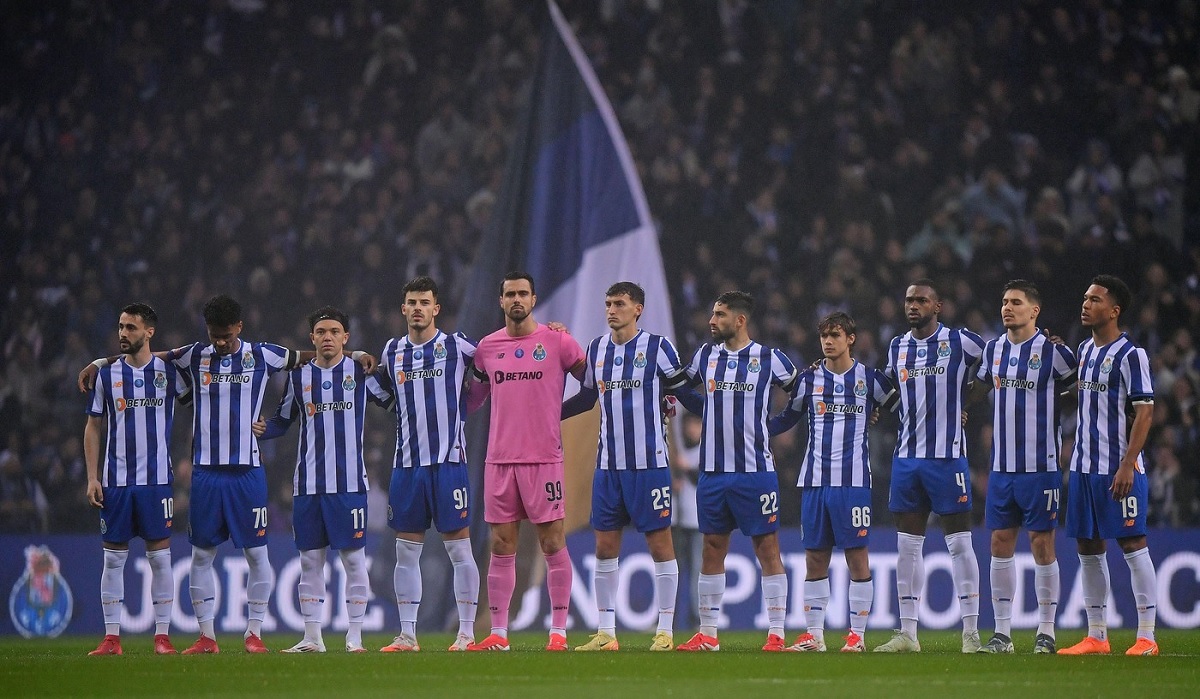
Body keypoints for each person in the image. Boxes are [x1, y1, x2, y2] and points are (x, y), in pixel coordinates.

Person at [78, 294, 375, 654]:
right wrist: (101, 361)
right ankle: (207, 637)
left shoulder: (264, 354)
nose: (219, 342)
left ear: (239, 327)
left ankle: (254, 634)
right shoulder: (194, 354)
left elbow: (314, 356)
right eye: (213, 335)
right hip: (205, 474)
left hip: (248, 472)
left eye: (225, 335)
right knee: (201, 556)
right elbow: (147, 356)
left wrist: (356, 354)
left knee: (257, 556)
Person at [561, 281, 690, 652]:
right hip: (608, 465)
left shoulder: (658, 347)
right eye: (607, 303)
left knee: (660, 544)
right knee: (604, 547)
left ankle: (665, 630)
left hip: (650, 464)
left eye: (619, 303)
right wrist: (549, 415)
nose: (611, 310)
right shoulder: (597, 349)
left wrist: (716, 411)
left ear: (638, 309)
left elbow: (682, 391)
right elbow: (587, 398)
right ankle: (606, 633)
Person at [465, 272, 586, 651]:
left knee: (552, 542)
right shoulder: (487, 348)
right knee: (501, 543)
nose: (516, 299)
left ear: (534, 299)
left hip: (543, 459)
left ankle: (559, 633)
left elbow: (593, 383)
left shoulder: (558, 342)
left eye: (523, 293)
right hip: (499, 460)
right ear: (500, 301)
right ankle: (499, 633)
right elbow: (475, 399)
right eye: (509, 294)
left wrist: (556, 415)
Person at [674, 291, 798, 652]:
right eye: (713, 314)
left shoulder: (770, 358)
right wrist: (707, 410)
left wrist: (771, 427)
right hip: (712, 473)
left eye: (719, 315)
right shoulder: (706, 356)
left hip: (755, 471)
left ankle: (776, 633)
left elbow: (801, 394)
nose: (711, 321)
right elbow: (681, 387)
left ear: (740, 320)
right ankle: (708, 635)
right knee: (712, 548)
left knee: (767, 548)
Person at [363, 277, 482, 652]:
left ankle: (466, 633)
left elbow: (497, 359)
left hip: (448, 463)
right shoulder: (392, 351)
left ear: (436, 309)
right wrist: (357, 361)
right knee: (406, 552)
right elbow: (379, 391)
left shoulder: (457, 347)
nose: (417, 308)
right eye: (411, 302)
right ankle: (408, 635)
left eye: (424, 302)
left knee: (460, 550)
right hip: (408, 466)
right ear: (403, 309)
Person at [768, 312, 896, 653]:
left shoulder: (871, 379)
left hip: (852, 483)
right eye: (824, 335)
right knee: (814, 558)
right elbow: (787, 418)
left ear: (850, 338)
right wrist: (753, 432)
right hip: (814, 481)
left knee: (857, 557)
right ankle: (815, 636)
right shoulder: (808, 380)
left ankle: (857, 637)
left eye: (835, 335)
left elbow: (902, 408)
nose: (828, 341)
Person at [254, 306, 377, 653]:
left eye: (334, 332)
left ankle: (354, 637)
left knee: (353, 561)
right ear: (312, 338)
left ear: (345, 338)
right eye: (321, 332)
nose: (327, 337)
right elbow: (283, 420)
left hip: (350, 485)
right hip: (307, 486)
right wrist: (263, 430)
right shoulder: (299, 378)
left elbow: (390, 396)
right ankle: (312, 637)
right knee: (310, 562)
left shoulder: (360, 371)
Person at [875, 279, 985, 653]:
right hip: (907, 459)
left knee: (959, 544)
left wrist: (965, 403)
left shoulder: (962, 341)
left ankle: (970, 633)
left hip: (947, 457)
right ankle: (908, 634)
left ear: (938, 306)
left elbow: (997, 362)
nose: (913, 306)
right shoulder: (897, 346)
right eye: (908, 300)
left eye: (921, 300)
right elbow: (887, 386)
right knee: (907, 546)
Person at [971, 280, 1076, 654]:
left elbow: (1079, 386)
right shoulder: (993, 349)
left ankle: (1045, 632)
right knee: (999, 542)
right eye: (1003, 302)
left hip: (1041, 465)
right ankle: (1002, 634)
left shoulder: (1054, 353)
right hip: (1001, 467)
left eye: (1016, 302)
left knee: (1041, 543)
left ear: (1035, 311)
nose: (1007, 308)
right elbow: (980, 386)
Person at [1058, 275, 1159, 656]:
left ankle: (1146, 636)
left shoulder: (1132, 355)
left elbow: (1145, 412)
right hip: (1084, 467)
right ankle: (1096, 635)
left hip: (1119, 469)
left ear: (1114, 311)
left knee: (1133, 544)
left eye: (1095, 299)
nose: (1085, 303)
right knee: (1088, 547)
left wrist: (1128, 464)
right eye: (1085, 297)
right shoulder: (1085, 350)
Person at [84, 303, 190, 656]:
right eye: (121, 327)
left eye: (131, 327)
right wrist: (92, 477)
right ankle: (112, 638)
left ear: (149, 332)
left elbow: (201, 400)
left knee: (160, 559)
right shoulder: (106, 375)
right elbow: (93, 426)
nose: (122, 333)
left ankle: (162, 636)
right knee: (113, 560)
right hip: (115, 481)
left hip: (157, 480)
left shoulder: (170, 372)